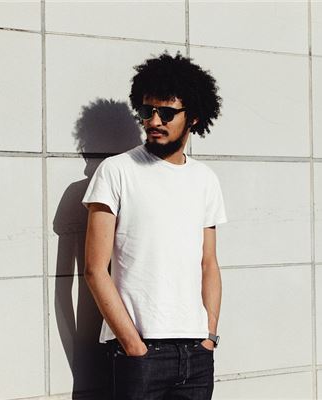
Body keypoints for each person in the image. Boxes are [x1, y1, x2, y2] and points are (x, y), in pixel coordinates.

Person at [82, 51, 227, 400]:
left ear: (193, 117)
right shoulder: (117, 171)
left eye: (167, 113)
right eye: (147, 111)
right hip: (140, 353)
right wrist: (134, 345)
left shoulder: (205, 179)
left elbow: (209, 263)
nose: (154, 121)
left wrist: (209, 336)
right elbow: (94, 269)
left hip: (196, 352)